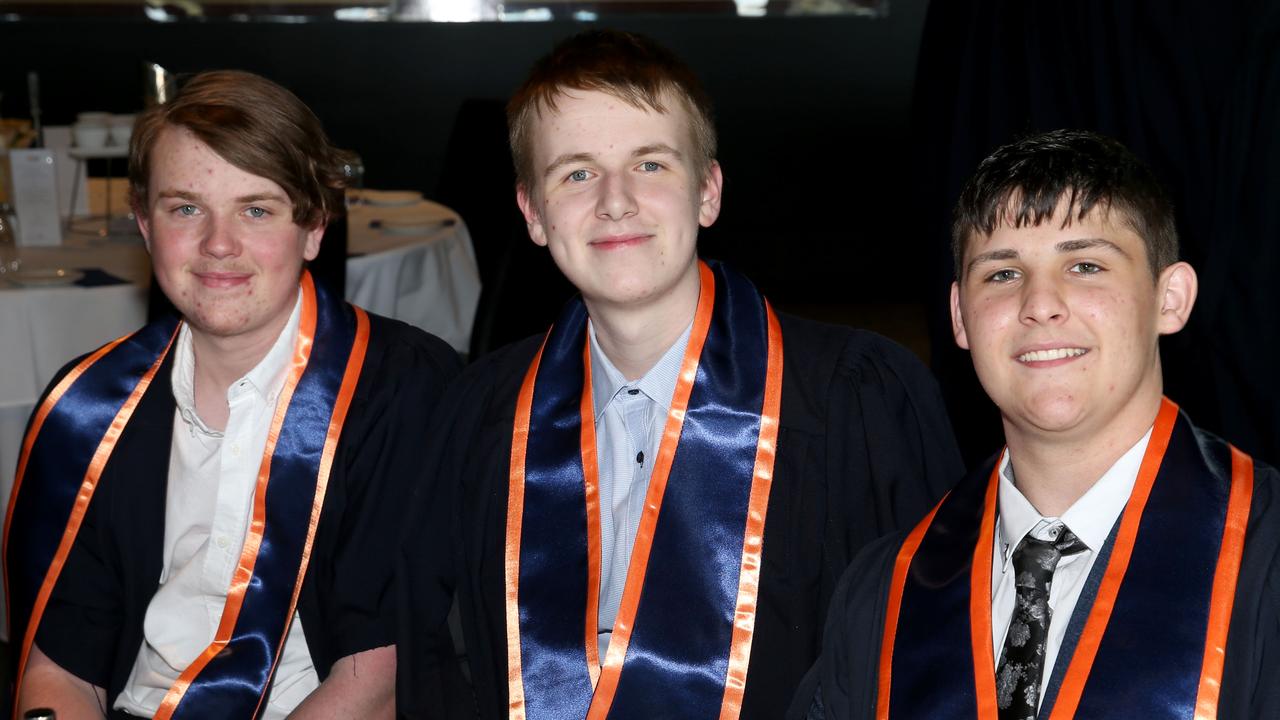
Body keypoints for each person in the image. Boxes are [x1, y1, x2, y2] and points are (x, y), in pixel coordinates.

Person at [396, 29, 962, 719]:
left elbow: (918, 666)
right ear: (533, 214)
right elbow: (438, 665)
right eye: (576, 173)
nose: (614, 201)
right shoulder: (482, 414)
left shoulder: (856, 402)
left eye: (651, 165)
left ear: (708, 193)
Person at [4, 70, 460, 719]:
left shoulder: (399, 391)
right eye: (185, 208)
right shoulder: (90, 407)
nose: (218, 245)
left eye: (256, 209)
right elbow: (60, 670)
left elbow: (375, 681)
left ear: (314, 228)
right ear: (143, 222)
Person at [791, 129, 1280, 719]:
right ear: (960, 318)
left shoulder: (1267, 555)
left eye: (1085, 264)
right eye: (1002, 274)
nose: (1039, 303)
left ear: (1170, 298)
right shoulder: (882, 594)